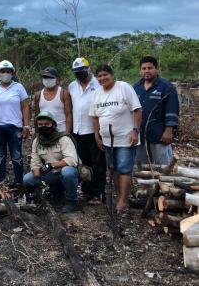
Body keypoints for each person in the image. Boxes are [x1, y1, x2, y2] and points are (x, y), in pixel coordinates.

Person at [89, 64, 142, 213]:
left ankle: (123, 202)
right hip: (107, 140)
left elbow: (137, 110)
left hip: (126, 138)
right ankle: (120, 197)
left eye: (105, 75)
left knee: (124, 168)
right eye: (99, 76)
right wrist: (96, 135)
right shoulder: (97, 94)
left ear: (112, 75)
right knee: (113, 169)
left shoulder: (123, 87)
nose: (102, 78)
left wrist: (135, 131)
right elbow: (94, 117)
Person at [23, 111, 80, 213]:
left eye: (46, 124)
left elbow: (72, 159)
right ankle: (54, 192)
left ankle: (71, 202)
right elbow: (35, 161)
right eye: (40, 124)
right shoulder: (37, 141)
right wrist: (38, 178)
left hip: (66, 172)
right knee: (28, 179)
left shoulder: (63, 138)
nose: (43, 127)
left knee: (68, 172)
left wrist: (52, 165)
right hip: (50, 174)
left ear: (53, 125)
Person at [0, 60, 30, 184]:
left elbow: (25, 106)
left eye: (8, 71)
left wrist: (26, 125)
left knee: (17, 155)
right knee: (0, 155)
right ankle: (2, 181)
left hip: (15, 127)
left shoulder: (18, 87)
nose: (5, 74)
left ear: (12, 73)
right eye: (3, 71)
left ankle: (19, 182)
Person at [68, 57, 105, 203]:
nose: (79, 74)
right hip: (78, 130)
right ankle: (86, 190)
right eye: (76, 72)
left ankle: (98, 192)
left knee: (98, 163)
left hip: (95, 130)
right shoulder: (72, 86)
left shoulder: (99, 84)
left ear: (88, 69)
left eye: (81, 70)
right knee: (84, 162)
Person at [133, 56, 179, 166]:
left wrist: (169, 130)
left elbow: (172, 110)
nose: (146, 71)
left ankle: (165, 184)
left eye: (150, 68)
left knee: (163, 167)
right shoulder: (136, 87)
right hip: (141, 134)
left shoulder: (166, 87)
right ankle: (146, 184)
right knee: (141, 168)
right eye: (144, 68)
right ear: (140, 70)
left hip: (160, 135)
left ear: (156, 69)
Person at [33, 67, 72, 133]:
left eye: (50, 78)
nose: (47, 80)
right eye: (45, 78)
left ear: (56, 79)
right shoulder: (38, 95)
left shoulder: (63, 93)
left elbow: (68, 115)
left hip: (61, 132)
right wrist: (37, 133)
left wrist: (67, 133)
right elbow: (37, 116)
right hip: (44, 132)